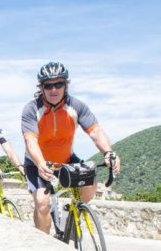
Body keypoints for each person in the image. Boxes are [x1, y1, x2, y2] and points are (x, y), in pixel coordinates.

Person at [21, 62, 121, 232]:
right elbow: (31, 141)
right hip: (37, 163)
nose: (54, 89)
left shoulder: (76, 106)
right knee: (42, 203)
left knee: (90, 186)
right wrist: (40, 163)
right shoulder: (31, 109)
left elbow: (95, 131)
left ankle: (72, 215)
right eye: (48, 85)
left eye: (58, 84)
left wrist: (108, 152)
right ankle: (44, 246)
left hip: (66, 159)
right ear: (41, 88)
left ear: (66, 85)